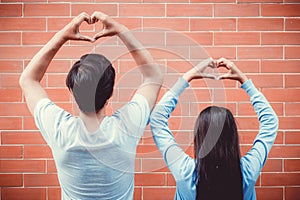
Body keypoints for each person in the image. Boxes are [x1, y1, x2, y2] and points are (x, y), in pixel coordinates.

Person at [19, 11, 163, 199]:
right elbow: (154, 76)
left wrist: (63, 35)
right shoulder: (126, 127)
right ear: (110, 92)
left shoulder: (60, 129)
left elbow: (28, 80)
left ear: (73, 93)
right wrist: (121, 30)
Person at [150, 58, 278, 200]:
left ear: (199, 136)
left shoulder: (185, 172)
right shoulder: (248, 171)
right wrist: (244, 81)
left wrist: (188, 76)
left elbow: (157, 118)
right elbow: (270, 122)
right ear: (232, 136)